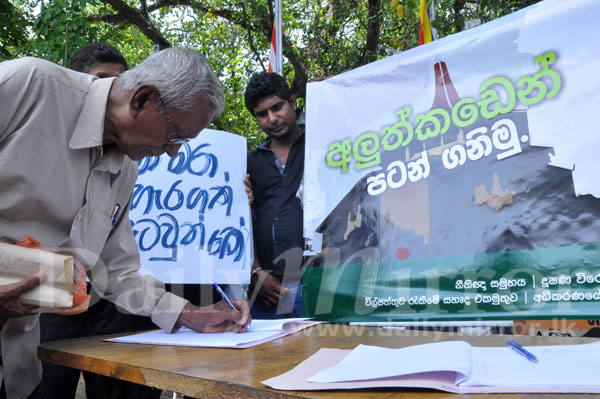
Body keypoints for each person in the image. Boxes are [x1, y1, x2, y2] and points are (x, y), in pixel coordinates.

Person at [0, 47, 250, 399]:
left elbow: (115, 271)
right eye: (175, 135)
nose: (173, 152)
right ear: (143, 99)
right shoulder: (28, 87)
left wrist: (191, 313)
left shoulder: (126, 169)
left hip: (18, 363)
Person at [37, 42, 160, 399]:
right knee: (46, 386)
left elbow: (117, 251)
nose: (112, 93)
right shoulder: (37, 118)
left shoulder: (129, 161)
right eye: (101, 81)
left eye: (122, 84)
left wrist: (178, 312)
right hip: (46, 303)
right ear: (76, 84)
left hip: (108, 302)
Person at [245, 72, 304, 319]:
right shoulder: (249, 161)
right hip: (265, 287)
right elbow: (244, 218)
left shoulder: (324, 146)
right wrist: (256, 271)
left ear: (292, 101)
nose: (272, 119)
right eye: (262, 114)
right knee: (265, 357)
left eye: (277, 107)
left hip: (316, 280)